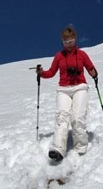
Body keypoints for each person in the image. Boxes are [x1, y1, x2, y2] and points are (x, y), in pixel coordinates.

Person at [36, 24, 97, 162]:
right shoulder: (59, 56)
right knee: (62, 117)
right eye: (65, 42)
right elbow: (51, 72)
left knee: (77, 117)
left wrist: (93, 72)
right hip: (63, 89)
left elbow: (90, 67)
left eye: (71, 41)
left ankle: (81, 148)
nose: (68, 45)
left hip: (80, 87)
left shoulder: (82, 54)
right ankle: (58, 149)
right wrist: (42, 73)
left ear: (75, 40)